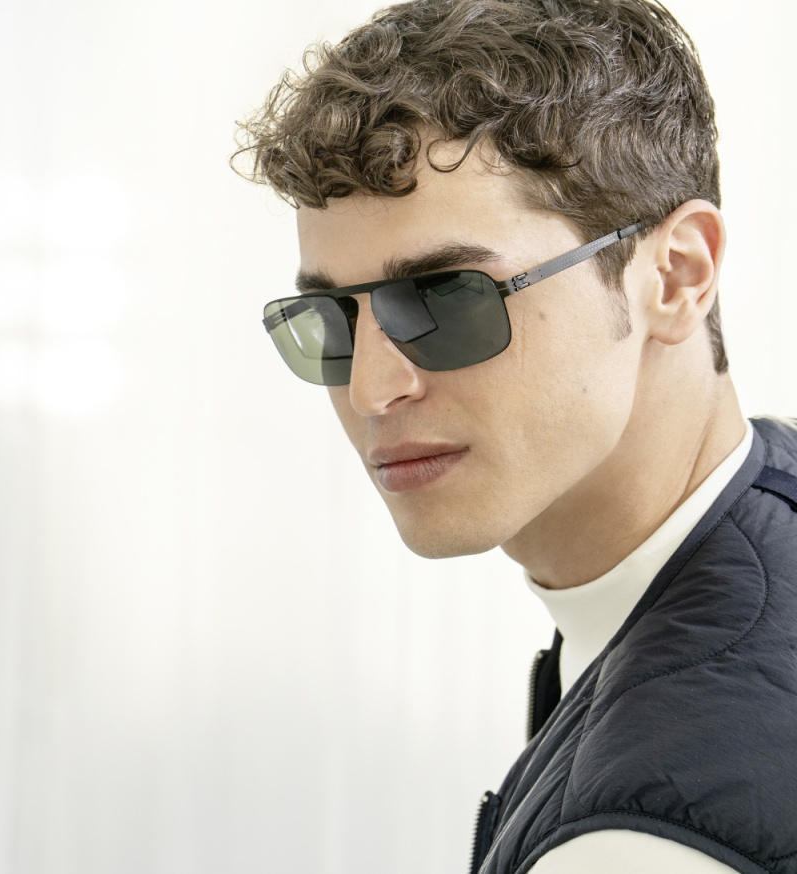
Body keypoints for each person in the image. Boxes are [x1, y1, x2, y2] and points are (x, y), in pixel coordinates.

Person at [235, 1, 797, 872]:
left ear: (677, 276)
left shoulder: (636, 846)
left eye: (447, 299)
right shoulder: (773, 489)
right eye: (331, 321)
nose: (373, 390)